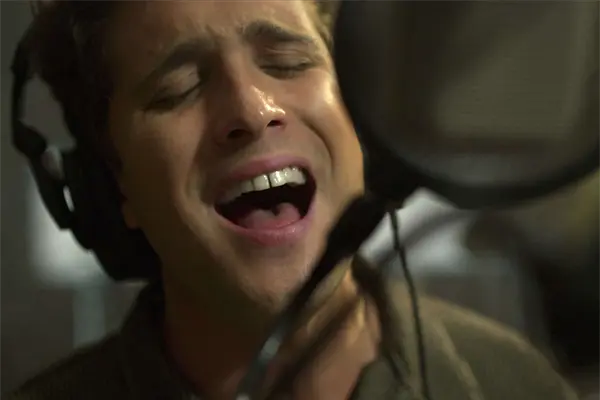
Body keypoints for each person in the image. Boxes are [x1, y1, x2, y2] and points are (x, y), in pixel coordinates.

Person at [5, 0, 579, 399]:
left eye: (288, 62)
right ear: (114, 183)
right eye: (179, 90)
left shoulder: (513, 383)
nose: (252, 111)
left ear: (361, 114)